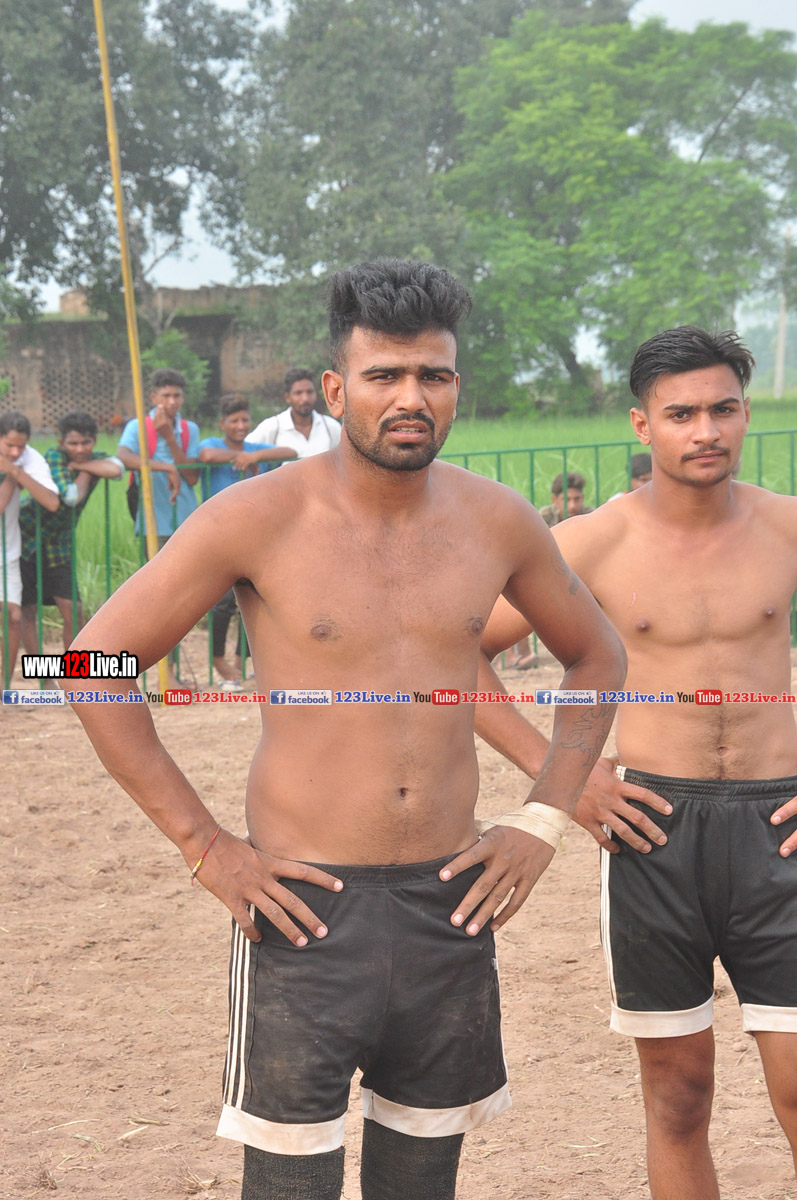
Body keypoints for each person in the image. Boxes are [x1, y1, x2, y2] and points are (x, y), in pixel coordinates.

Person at [63, 258, 624, 1200]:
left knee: (421, 1180)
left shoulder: (496, 520)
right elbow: (92, 665)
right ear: (334, 390)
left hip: (452, 901)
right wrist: (206, 847)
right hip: (302, 907)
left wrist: (542, 819)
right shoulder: (256, 516)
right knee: (290, 1185)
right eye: (384, 375)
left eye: (432, 375)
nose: (410, 398)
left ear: (455, 387)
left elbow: (597, 656)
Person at [476, 325, 797, 1200]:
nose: (706, 431)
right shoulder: (591, 541)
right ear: (640, 424)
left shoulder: (784, 524)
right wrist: (564, 778)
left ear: (744, 413)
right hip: (654, 832)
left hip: (779, 828)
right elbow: (459, 657)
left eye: (723, 409)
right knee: (678, 1095)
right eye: (681, 414)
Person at [199, 393, 298, 687]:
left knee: (254, 599)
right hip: (219, 536)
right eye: (234, 421)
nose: (240, 426)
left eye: (244, 420)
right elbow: (206, 457)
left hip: (256, 537)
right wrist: (237, 457)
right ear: (222, 423)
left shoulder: (255, 448)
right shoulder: (212, 444)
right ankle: (218, 659)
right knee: (223, 603)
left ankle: (243, 660)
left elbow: (290, 451)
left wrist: (254, 457)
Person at [19, 411, 123, 655]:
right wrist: (90, 470)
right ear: (61, 442)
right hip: (25, 537)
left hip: (58, 543)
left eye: (85, 443)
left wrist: (81, 467)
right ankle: (40, 671)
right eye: (73, 443)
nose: (79, 449)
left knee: (73, 609)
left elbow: (117, 468)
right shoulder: (54, 456)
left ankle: (74, 671)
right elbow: (70, 496)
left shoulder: (88, 459)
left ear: (94, 441)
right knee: (27, 609)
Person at [0, 410, 59, 683]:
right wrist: (14, 477)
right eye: (9, 445)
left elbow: (51, 501)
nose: (15, 451)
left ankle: (4, 686)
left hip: (7, 553)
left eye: (20, 446)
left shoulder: (27, 459)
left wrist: (14, 471)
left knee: (13, 617)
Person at [116, 367, 200, 543]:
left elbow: (192, 477)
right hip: (153, 521)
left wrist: (169, 437)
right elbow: (123, 456)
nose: (172, 402)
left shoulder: (190, 429)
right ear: (154, 397)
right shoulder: (138, 426)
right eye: (166, 396)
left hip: (187, 518)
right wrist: (167, 468)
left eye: (177, 396)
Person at [250, 368, 342, 457]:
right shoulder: (272, 427)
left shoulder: (331, 427)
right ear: (288, 397)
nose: (305, 399)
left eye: (309, 392)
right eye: (298, 393)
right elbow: (246, 450)